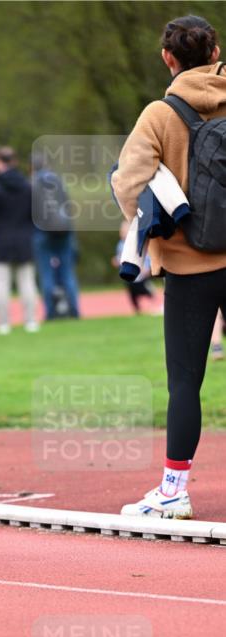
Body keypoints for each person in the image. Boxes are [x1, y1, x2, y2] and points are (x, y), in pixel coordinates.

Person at [111, 14, 226, 519]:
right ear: (216, 50)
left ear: (168, 58)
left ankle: (174, 491)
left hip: (190, 263)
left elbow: (126, 184)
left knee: (186, 381)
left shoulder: (160, 114)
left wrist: (161, 214)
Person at [0, 146, 39, 334]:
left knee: (1, 284)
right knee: (27, 282)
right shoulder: (28, 186)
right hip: (24, 240)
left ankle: (3, 323)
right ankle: (31, 321)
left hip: (1, 241)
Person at [31, 153, 80, 320]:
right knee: (67, 273)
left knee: (46, 273)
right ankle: (74, 311)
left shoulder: (33, 183)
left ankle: (51, 313)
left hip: (42, 232)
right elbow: (68, 205)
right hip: (64, 231)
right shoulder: (58, 180)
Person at [112, 220, 159, 314]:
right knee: (132, 293)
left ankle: (152, 295)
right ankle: (137, 310)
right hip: (129, 276)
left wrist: (147, 268)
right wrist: (116, 261)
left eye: (125, 231)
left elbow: (146, 256)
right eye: (121, 231)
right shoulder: (120, 245)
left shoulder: (138, 242)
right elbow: (120, 257)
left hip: (141, 274)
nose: (122, 233)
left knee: (143, 290)